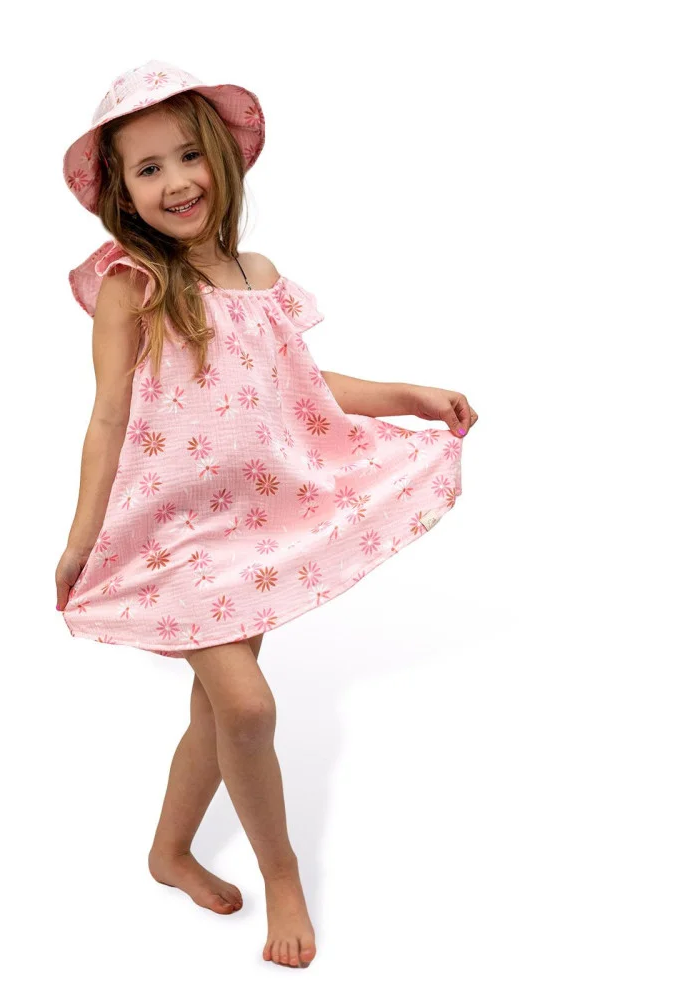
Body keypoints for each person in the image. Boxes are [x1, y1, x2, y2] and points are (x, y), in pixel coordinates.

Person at [54, 60, 477, 969]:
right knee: (247, 706)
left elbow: (303, 387)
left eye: (187, 157)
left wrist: (407, 394)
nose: (177, 182)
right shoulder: (134, 283)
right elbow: (108, 416)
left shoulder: (259, 276)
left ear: (221, 158)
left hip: (255, 525)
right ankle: (282, 874)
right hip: (173, 534)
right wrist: (82, 537)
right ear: (123, 193)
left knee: (217, 715)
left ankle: (169, 853)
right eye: (149, 169)